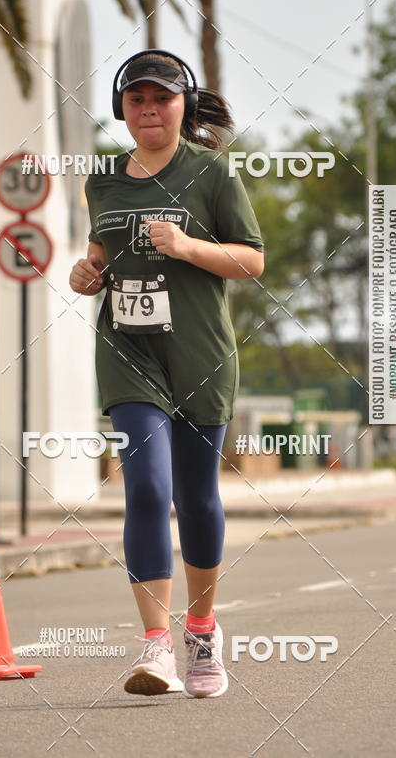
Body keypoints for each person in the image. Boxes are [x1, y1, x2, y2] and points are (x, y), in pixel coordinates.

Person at [69, 50, 264, 698]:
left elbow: (251, 261)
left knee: (197, 498)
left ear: (184, 104)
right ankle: (156, 648)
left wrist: (186, 246)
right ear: (123, 108)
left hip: (201, 354)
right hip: (129, 351)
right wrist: (85, 271)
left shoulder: (212, 173)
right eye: (136, 99)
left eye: (162, 98)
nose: (149, 109)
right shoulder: (101, 178)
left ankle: (202, 632)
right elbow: (99, 252)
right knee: (147, 489)